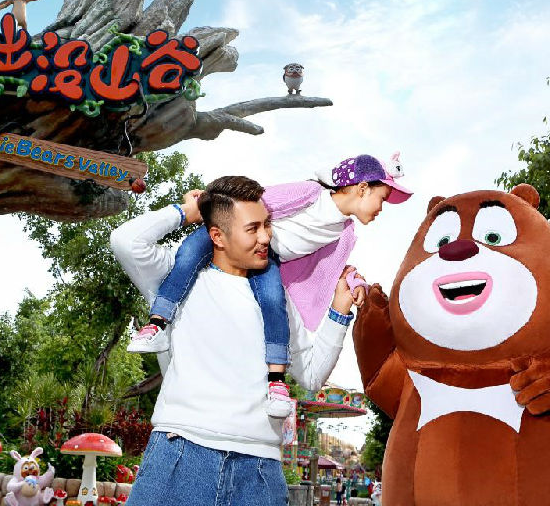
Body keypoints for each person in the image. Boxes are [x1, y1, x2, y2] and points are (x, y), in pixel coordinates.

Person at [111, 176, 363, 506]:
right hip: (180, 452)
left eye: (267, 224)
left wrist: (339, 311)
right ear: (217, 236)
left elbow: (312, 375)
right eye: (252, 228)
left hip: (258, 472)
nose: (266, 237)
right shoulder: (175, 278)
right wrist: (188, 211)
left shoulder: (278, 302)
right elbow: (126, 241)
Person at [127, 154, 412, 419]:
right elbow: (254, 202)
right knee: (187, 258)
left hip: (267, 261)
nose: (381, 208)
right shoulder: (311, 193)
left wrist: (355, 283)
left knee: (274, 302)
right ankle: (157, 324)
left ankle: (276, 381)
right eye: (382, 198)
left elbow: (336, 269)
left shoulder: (345, 233)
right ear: (362, 188)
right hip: (232, 233)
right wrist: (204, 207)